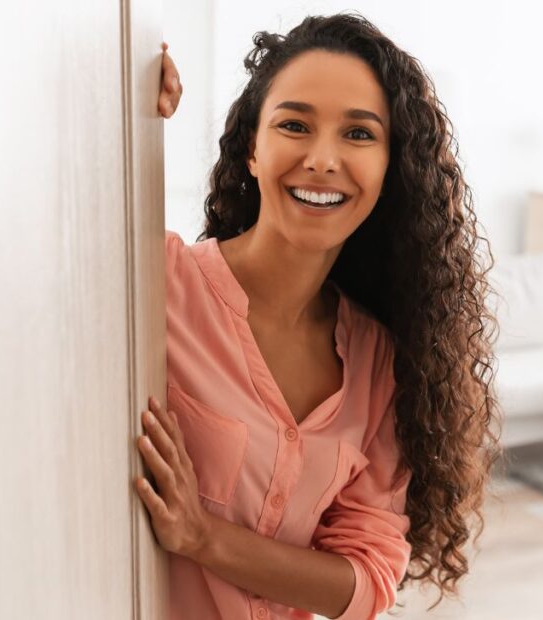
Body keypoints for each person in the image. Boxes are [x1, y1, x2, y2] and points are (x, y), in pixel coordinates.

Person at [135, 13, 502, 620]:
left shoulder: (378, 358)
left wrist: (203, 536)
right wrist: (116, 109)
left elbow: (367, 583)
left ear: (391, 168)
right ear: (253, 148)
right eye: (295, 125)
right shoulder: (157, 283)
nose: (323, 159)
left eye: (359, 135)